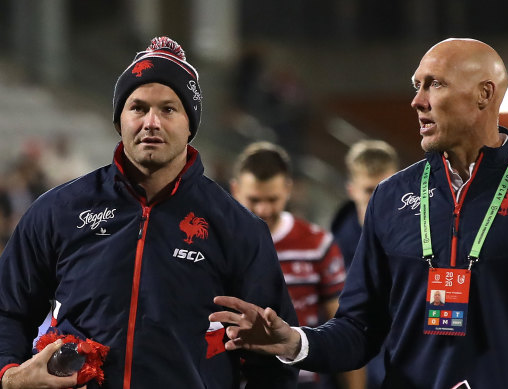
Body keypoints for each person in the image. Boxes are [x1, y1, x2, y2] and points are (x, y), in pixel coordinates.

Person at [210, 38, 508, 389]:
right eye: (416, 85)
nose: (417, 101)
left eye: (435, 85)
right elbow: (360, 327)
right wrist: (294, 341)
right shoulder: (392, 196)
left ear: (484, 94)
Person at [0, 36, 298, 389]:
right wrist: (11, 377)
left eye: (168, 109)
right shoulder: (58, 210)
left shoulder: (238, 228)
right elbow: (8, 311)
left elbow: (274, 357)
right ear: (119, 120)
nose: (151, 122)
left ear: (191, 124)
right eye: (138, 107)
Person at [230, 141, 365, 389]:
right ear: (235, 189)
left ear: (288, 189)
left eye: (272, 199)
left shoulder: (317, 245)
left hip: (303, 380)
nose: (263, 209)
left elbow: (343, 323)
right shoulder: (216, 245)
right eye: (254, 199)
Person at [330, 139, 398, 389]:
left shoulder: (421, 240)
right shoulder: (331, 249)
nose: (381, 197)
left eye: (387, 186)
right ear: (352, 189)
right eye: (370, 190)